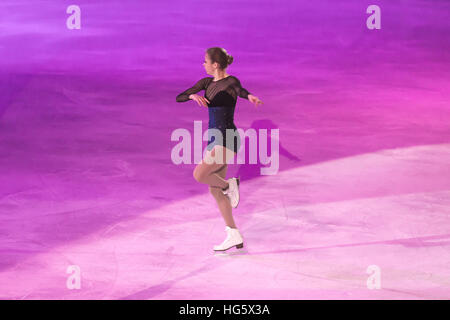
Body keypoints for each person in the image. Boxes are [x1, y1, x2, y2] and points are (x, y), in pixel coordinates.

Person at [176, 47, 263, 252]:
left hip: (228, 138)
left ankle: (230, 184)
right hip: (214, 139)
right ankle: (233, 233)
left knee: (200, 174)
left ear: (215, 65)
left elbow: (241, 91)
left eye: (205, 61)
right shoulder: (206, 83)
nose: (203, 64)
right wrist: (192, 97)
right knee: (214, 190)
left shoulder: (231, 82)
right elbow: (180, 96)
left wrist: (249, 96)